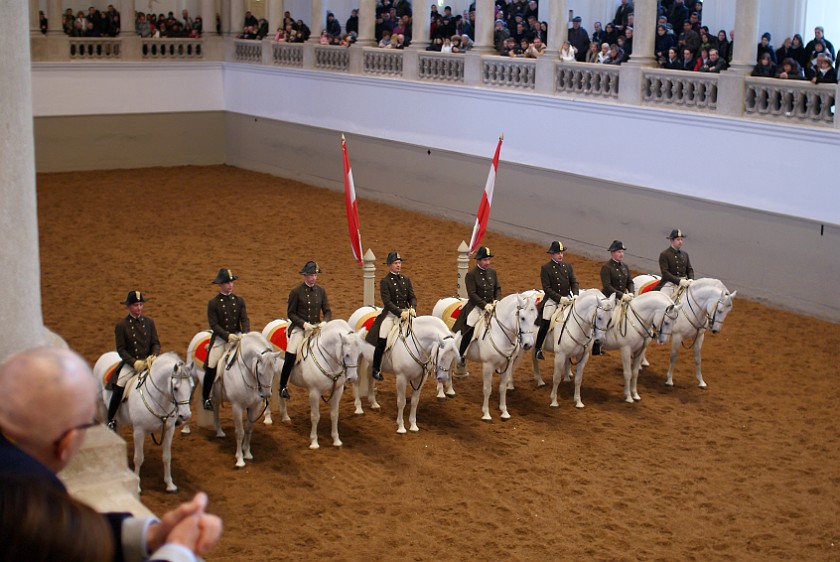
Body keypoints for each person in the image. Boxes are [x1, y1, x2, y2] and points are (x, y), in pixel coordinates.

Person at [0, 347, 223, 562]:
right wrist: (179, 551)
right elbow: (61, 540)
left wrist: (150, 535)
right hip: (131, 365)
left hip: (150, 364)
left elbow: (74, 534)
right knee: (118, 388)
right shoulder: (34, 495)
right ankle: (113, 415)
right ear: (65, 444)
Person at [107, 291, 160, 431]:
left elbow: (155, 343)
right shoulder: (121, 326)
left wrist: (154, 355)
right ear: (129, 307)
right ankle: (111, 418)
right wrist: (133, 363)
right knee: (120, 385)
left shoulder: (149, 322)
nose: (139, 308)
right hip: (131, 365)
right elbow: (121, 349)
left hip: (148, 362)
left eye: (141, 304)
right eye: (136, 305)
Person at [279, 261, 332, 399]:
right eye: (310, 275)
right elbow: (291, 313)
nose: (313, 278)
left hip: (316, 328)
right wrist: (303, 324)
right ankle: (283, 386)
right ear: (305, 276)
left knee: (332, 348)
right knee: (291, 352)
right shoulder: (296, 292)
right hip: (300, 329)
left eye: (315, 275)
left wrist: (324, 322)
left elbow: (327, 310)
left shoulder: (321, 291)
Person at [203, 268, 250, 411]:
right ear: (220, 285)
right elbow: (214, 325)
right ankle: (206, 398)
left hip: (237, 338)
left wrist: (245, 334)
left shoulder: (239, 300)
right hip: (221, 340)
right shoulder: (213, 303)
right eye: (226, 283)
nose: (230, 285)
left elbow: (244, 319)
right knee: (211, 365)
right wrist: (227, 336)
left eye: (231, 282)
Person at [365, 251, 417, 380]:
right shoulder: (385, 281)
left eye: (399, 263)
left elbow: (412, 296)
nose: (398, 265)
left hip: (406, 314)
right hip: (391, 315)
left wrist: (413, 308)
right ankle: (376, 368)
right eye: (395, 263)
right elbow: (387, 302)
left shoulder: (406, 279)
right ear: (389, 265)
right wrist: (400, 312)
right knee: (382, 338)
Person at [452, 246, 502, 365]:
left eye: (488, 260)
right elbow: (472, 294)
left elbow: (498, 288)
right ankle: (461, 354)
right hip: (476, 306)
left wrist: (497, 300)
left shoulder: (493, 272)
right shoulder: (471, 275)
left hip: (491, 305)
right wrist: (485, 305)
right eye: (485, 260)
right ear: (478, 260)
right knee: (470, 325)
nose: (487, 262)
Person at [534, 241, 580, 360]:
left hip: (568, 298)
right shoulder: (546, 268)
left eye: (561, 253)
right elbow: (547, 289)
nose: (560, 255)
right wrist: (560, 299)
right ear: (552, 254)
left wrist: (575, 295)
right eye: (557, 253)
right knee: (546, 320)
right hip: (553, 300)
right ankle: (538, 348)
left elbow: (574, 282)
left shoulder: (568, 266)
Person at [594, 240, 634, 355]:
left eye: (622, 252)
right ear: (612, 253)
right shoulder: (606, 267)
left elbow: (630, 282)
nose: (621, 254)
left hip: (624, 298)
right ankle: (597, 345)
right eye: (618, 252)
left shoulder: (625, 266)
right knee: (603, 319)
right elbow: (607, 287)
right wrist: (622, 295)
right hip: (609, 299)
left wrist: (631, 293)